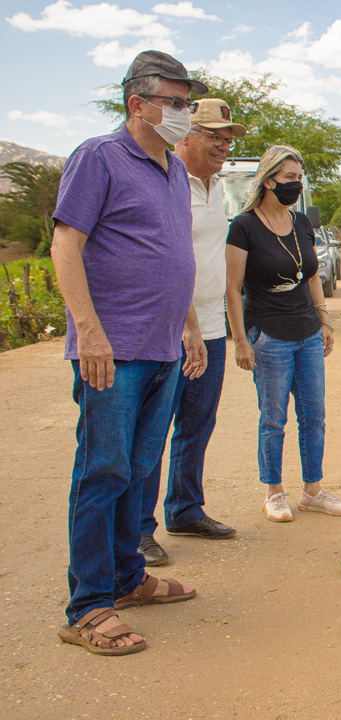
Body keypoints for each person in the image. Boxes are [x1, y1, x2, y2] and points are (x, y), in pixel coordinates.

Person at [51, 50, 202, 655]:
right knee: (103, 470)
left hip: (163, 348)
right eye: (175, 102)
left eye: (189, 102)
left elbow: (173, 256)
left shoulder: (172, 169)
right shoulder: (99, 157)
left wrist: (190, 326)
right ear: (137, 104)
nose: (185, 113)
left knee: (138, 471)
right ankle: (88, 607)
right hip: (112, 350)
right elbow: (66, 243)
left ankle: (127, 577)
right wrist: (88, 330)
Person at [137, 99, 248, 567]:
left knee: (198, 423)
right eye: (213, 136)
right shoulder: (166, 179)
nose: (223, 145)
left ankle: (185, 510)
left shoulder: (217, 185)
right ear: (184, 135)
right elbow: (165, 258)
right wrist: (187, 327)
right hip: (173, 327)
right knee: (153, 430)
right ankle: (139, 530)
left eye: (227, 139)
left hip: (212, 325)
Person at [224, 145, 341, 522]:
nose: (296, 184)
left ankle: (313, 491)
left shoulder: (302, 223)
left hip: (307, 333)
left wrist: (324, 320)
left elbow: (311, 276)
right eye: (289, 178)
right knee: (273, 418)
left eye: (299, 178)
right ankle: (274, 492)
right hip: (269, 336)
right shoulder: (244, 226)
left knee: (314, 415)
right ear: (269, 181)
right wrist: (241, 340)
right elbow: (232, 288)